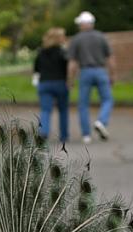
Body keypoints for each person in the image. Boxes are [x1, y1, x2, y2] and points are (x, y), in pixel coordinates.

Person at [67, 11, 116, 144]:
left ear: (83, 24)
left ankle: (86, 135)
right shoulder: (101, 37)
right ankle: (101, 121)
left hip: (85, 72)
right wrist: (112, 75)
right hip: (101, 71)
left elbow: (72, 63)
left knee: (83, 104)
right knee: (107, 99)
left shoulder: (76, 39)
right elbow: (110, 58)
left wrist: (71, 80)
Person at [34, 27, 69, 143]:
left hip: (44, 83)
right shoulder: (63, 52)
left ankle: (43, 132)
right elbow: (67, 68)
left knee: (45, 110)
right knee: (63, 110)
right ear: (59, 38)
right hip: (60, 83)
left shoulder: (41, 52)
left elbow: (36, 68)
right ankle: (64, 136)